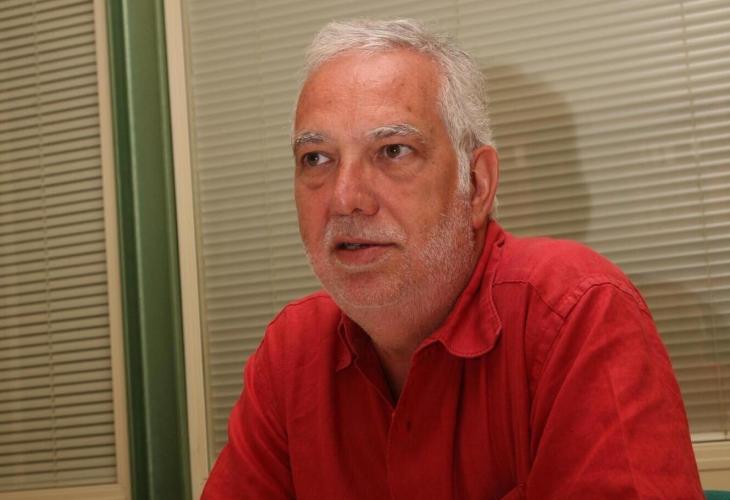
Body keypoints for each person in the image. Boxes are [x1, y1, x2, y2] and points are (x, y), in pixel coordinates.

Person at [202, 19, 703, 499]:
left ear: (477, 185)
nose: (345, 198)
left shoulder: (575, 313)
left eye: (393, 151)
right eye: (316, 158)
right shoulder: (291, 355)